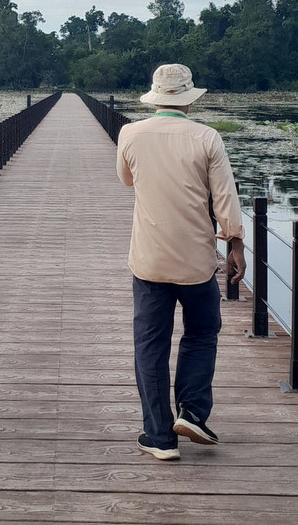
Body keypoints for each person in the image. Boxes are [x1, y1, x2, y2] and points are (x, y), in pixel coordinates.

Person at [116, 63, 246, 460]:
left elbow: (126, 179)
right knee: (202, 333)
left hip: (149, 260)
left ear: (155, 98)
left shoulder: (130, 134)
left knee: (150, 345)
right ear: (189, 99)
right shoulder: (207, 138)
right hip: (196, 260)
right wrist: (236, 244)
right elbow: (225, 198)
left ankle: (159, 437)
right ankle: (191, 411)